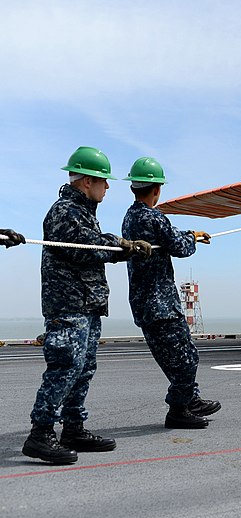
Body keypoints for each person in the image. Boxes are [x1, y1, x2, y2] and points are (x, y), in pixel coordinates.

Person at [23, 146, 152, 465]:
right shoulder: (65, 211)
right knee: (65, 365)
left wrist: (122, 248)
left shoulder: (82, 211)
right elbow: (85, 248)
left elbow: (95, 246)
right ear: (86, 182)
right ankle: (40, 434)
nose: (108, 186)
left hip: (86, 304)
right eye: (103, 181)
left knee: (83, 367)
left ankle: (74, 428)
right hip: (68, 305)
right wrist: (122, 246)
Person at [121, 156, 220, 429]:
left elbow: (167, 237)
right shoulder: (154, 217)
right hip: (161, 304)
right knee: (187, 358)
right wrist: (193, 238)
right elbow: (180, 247)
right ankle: (178, 409)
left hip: (143, 304)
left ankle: (190, 400)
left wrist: (189, 233)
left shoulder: (130, 218)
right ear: (157, 190)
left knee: (173, 359)